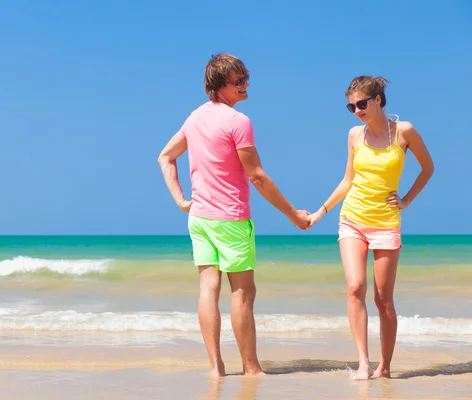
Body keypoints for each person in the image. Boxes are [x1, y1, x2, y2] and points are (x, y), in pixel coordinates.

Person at [157, 53, 310, 377]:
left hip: (199, 218)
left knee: (207, 287)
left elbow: (165, 157)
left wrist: (181, 201)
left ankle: (216, 367)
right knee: (242, 292)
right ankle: (251, 369)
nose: (245, 85)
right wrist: (292, 214)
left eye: (245, 78)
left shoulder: (195, 118)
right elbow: (256, 176)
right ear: (220, 86)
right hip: (230, 219)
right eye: (238, 81)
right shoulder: (238, 122)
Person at [308, 76, 434, 380]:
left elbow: (427, 168)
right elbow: (348, 180)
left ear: (378, 100)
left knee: (383, 298)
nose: (356, 110)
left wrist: (405, 200)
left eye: (361, 104)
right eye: (351, 106)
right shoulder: (354, 135)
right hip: (352, 219)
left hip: (386, 223)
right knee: (355, 288)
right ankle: (363, 363)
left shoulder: (404, 131)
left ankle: (384, 367)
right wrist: (320, 212)